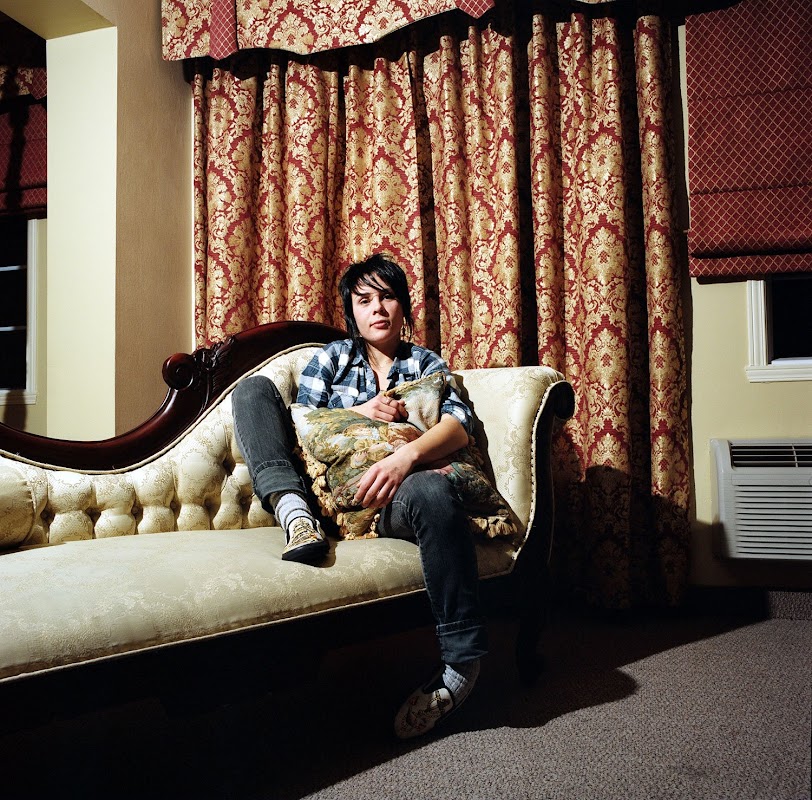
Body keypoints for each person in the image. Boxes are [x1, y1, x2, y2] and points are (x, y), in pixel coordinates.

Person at [231, 254, 486, 739]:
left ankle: (461, 665)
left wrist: (404, 458)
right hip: (327, 503)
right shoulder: (332, 360)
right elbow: (302, 428)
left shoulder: (425, 363)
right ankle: (294, 517)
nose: (377, 309)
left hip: (392, 499)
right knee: (252, 390)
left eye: (387, 297)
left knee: (434, 489)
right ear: (351, 310)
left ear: (403, 304)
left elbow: (459, 426)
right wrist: (360, 411)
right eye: (364, 300)